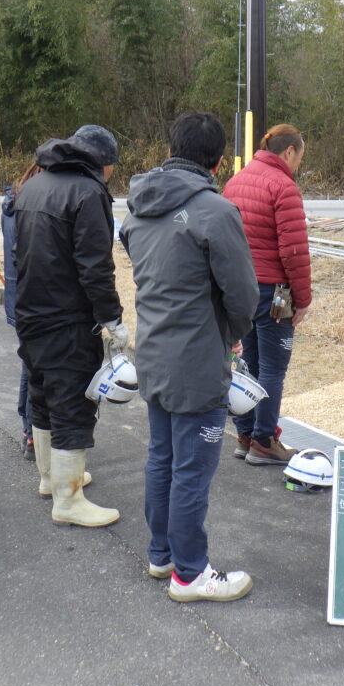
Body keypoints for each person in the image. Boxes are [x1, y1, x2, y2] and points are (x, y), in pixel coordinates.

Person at [121, 111, 258, 603]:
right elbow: (243, 295)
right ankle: (190, 573)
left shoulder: (137, 207)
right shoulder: (214, 211)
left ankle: (161, 555)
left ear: (170, 149)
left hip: (154, 351)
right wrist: (234, 333)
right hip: (198, 359)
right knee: (192, 470)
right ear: (219, 161)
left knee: (162, 457)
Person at [13, 125, 124, 527]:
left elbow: (17, 253)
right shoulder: (88, 193)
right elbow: (95, 267)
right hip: (68, 319)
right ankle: (69, 499)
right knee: (73, 404)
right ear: (102, 162)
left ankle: (51, 479)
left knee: (42, 396)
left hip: (31, 313)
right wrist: (112, 317)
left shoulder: (32, 185)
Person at [222, 124, 311, 466]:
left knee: (247, 364)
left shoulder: (236, 181)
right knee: (273, 367)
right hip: (274, 293)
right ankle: (264, 440)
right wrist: (302, 299)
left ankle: (244, 435)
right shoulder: (283, 186)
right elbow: (293, 251)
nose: (298, 165)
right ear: (289, 152)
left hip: (240, 288)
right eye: (299, 157)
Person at [1, 160, 39, 461]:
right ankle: (32, 432)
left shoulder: (12, 200)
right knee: (36, 368)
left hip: (17, 298)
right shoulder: (29, 205)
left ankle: (29, 430)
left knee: (30, 365)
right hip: (32, 300)